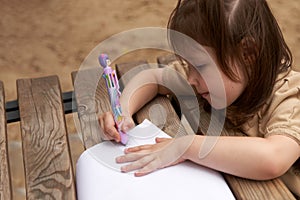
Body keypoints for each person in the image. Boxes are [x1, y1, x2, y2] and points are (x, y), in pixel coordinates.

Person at [99, 0, 300, 196]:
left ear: (248, 53)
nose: (190, 78)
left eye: (200, 66)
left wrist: (186, 146)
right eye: (187, 65)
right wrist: (123, 110)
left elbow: (273, 158)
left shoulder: (288, 98)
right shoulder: (208, 81)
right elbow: (152, 78)